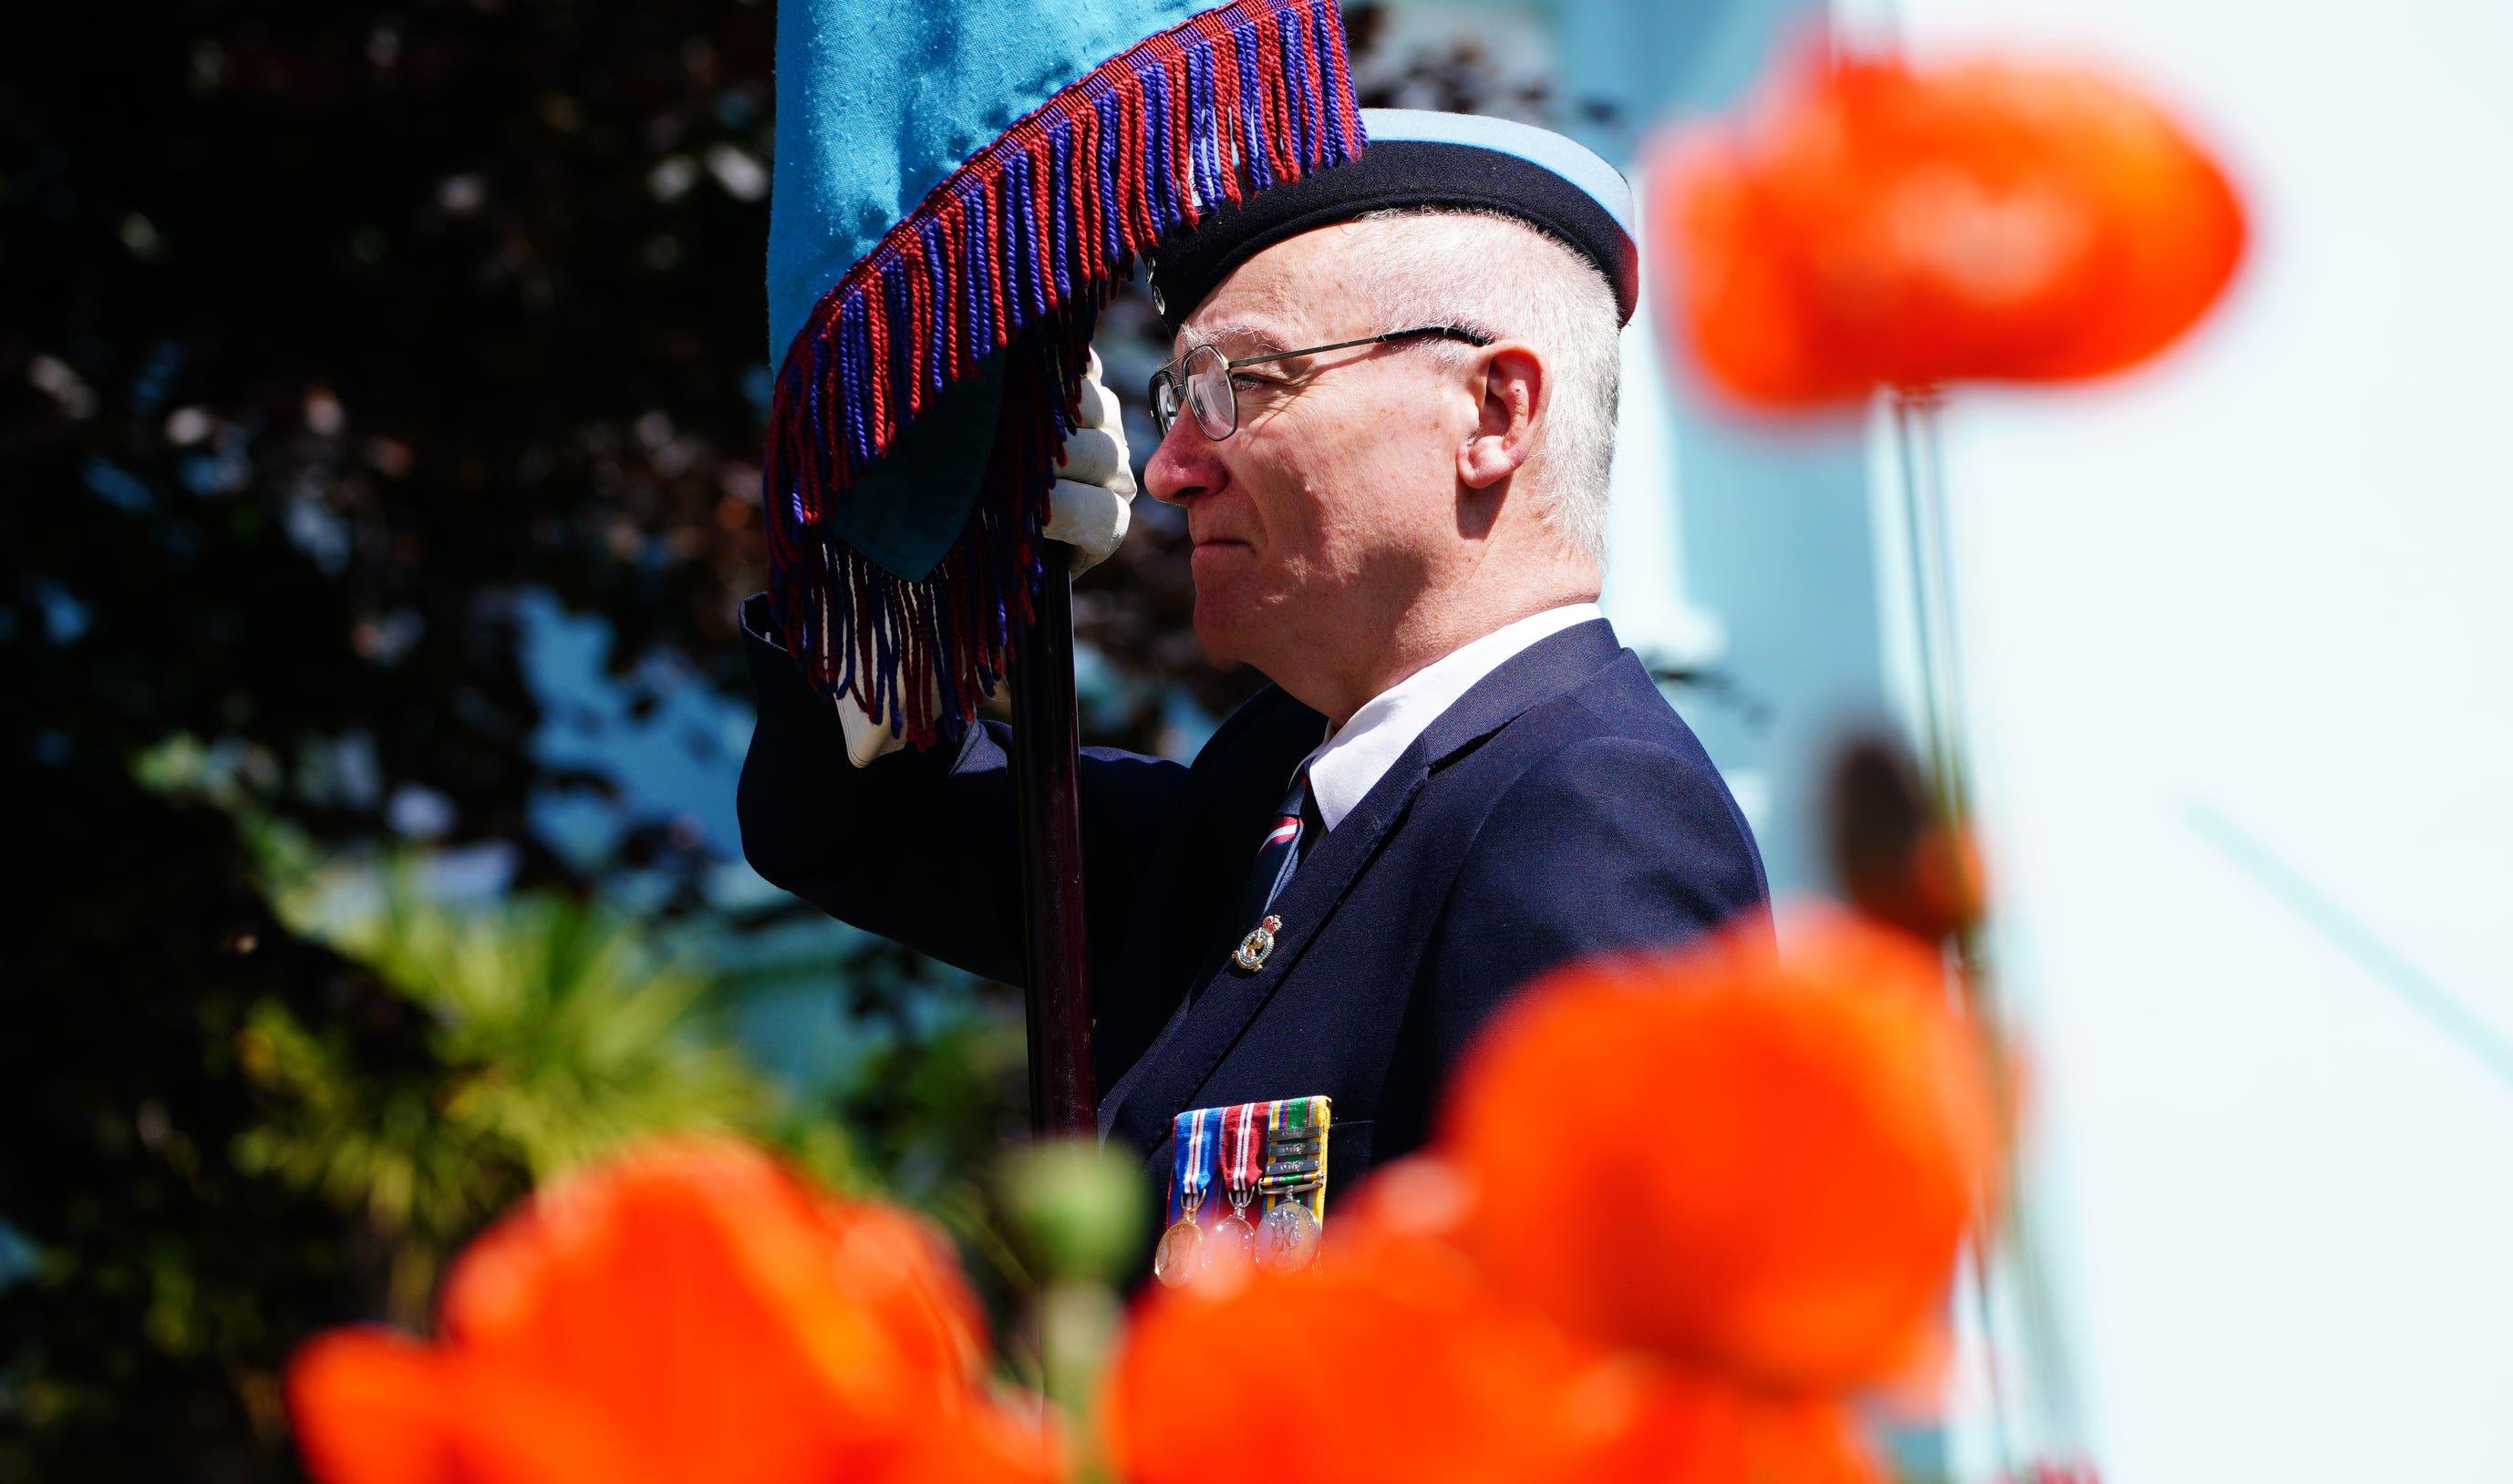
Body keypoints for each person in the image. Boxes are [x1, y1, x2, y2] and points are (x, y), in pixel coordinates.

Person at [737, 108, 1768, 1226]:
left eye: (1247, 382)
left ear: (1492, 410)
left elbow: (1587, 1367)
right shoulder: (1266, 808)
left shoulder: (1586, 815)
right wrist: (926, 575)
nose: (1171, 468)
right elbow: (855, 825)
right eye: (1178, 398)